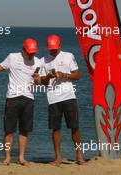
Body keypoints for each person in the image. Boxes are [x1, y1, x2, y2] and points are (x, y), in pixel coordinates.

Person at [0, 38, 41, 166]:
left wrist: (37, 80)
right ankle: (7, 158)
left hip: (29, 98)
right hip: (12, 98)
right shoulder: (12, 57)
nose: (31, 55)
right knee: (9, 130)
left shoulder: (38, 62)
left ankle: (21, 158)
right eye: (29, 52)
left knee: (24, 130)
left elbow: (40, 82)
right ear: (23, 50)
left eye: (33, 53)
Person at [38, 34, 86, 166]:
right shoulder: (43, 60)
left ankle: (79, 156)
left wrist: (64, 74)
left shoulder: (68, 56)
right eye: (50, 49)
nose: (52, 51)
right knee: (55, 128)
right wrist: (48, 76)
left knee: (74, 127)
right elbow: (42, 82)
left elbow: (78, 75)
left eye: (55, 48)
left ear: (60, 45)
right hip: (53, 98)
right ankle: (58, 158)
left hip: (69, 96)